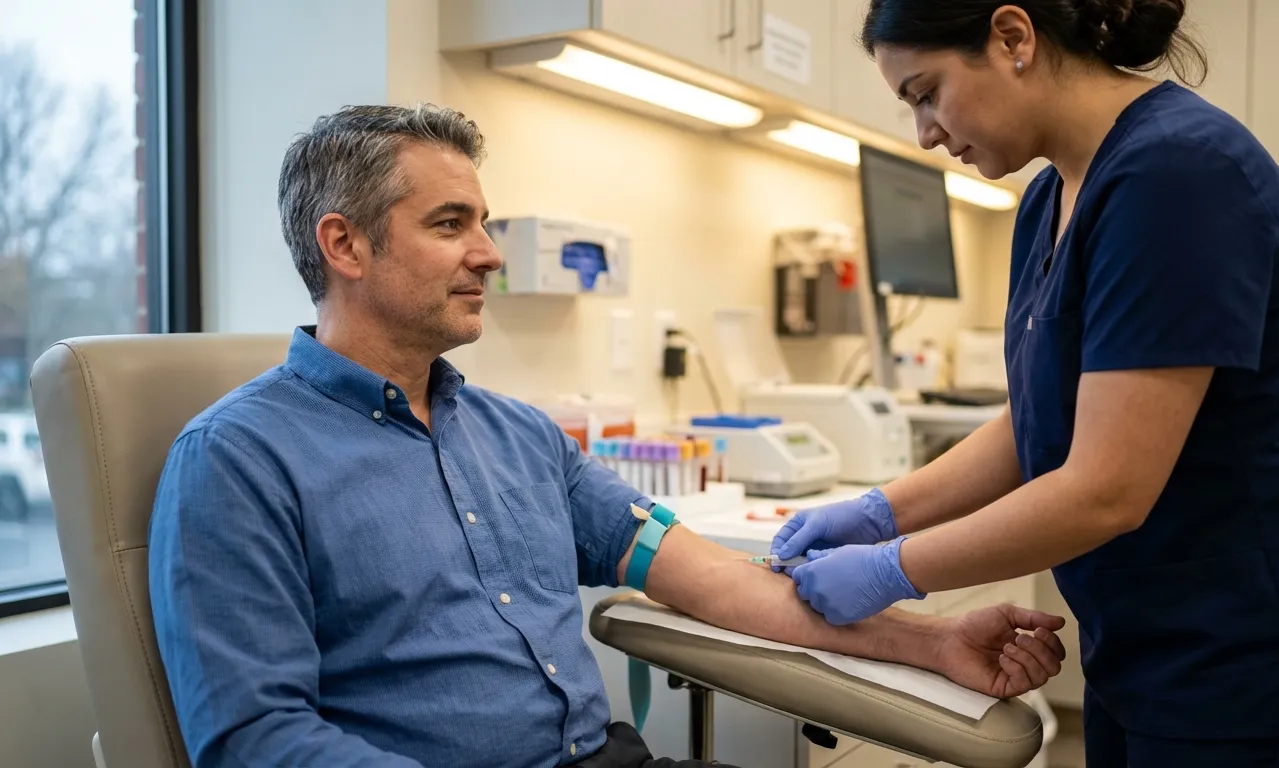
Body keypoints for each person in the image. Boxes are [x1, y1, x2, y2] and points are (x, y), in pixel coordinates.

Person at [146, 103, 1067, 768]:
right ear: (343, 246)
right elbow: (257, 740)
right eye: (450, 224)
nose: (491, 253)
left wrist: (929, 642)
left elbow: (722, 585)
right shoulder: (237, 462)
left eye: (487, 223)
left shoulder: (519, 438)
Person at [770, 1, 1279, 765]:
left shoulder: (1178, 172)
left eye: (926, 93)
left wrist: (895, 570)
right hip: (1143, 643)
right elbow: (1036, 425)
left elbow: (1106, 486)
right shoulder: (1049, 197)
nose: (923, 131)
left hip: (1250, 653)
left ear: (1013, 38)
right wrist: (877, 513)